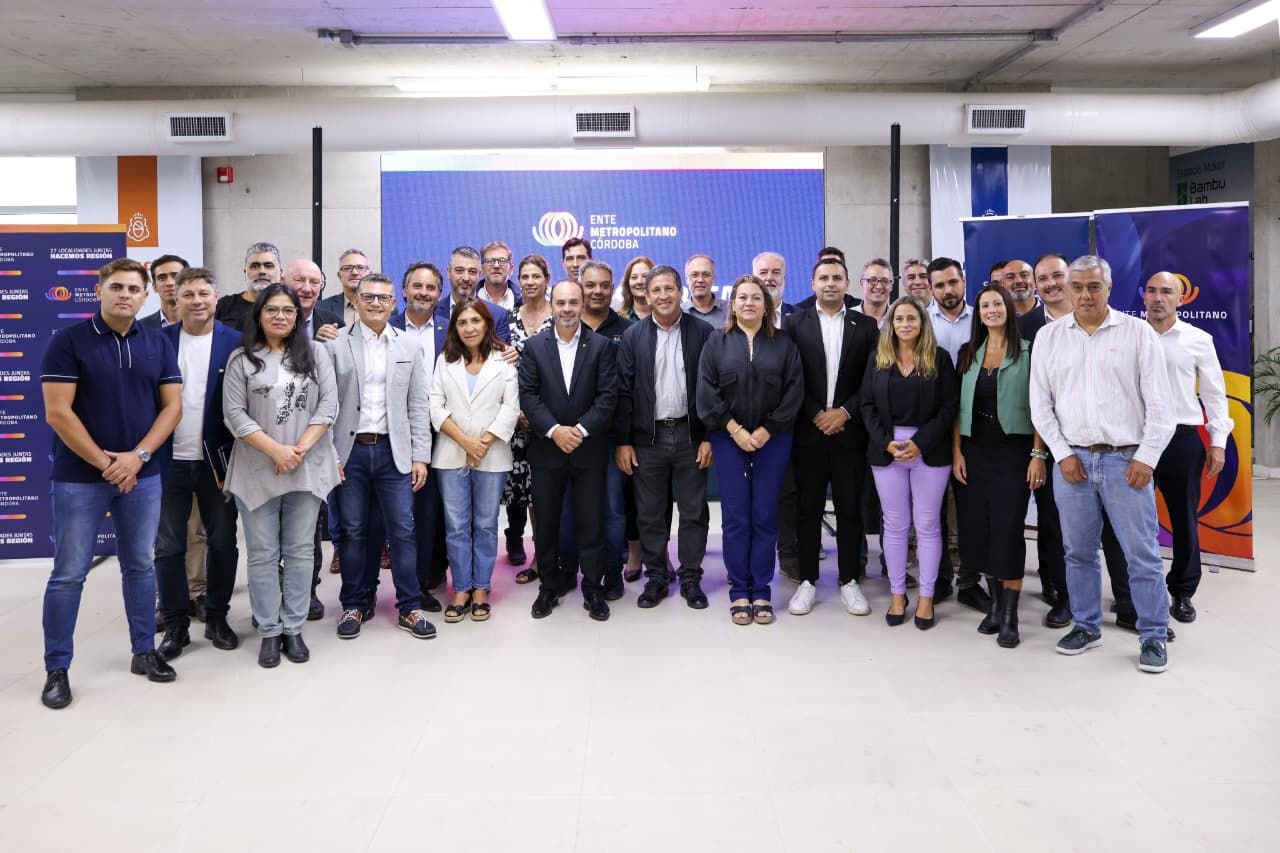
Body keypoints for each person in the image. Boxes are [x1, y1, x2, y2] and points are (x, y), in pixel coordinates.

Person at [39, 258, 183, 709]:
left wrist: (138, 457)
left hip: (142, 475)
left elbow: (172, 408)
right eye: (116, 287)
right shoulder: (68, 341)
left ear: (146, 296)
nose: (125, 295)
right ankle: (57, 669)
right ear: (99, 291)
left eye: (134, 289)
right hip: (80, 478)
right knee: (69, 574)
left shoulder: (157, 342)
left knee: (140, 565)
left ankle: (144, 651)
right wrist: (108, 464)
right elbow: (58, 412)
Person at [1030, 255, 1175, 674]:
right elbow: (1040, 405)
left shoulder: (1137, 333)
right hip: (1072, 461)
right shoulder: (1049, 338)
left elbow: (1161, 406)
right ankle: (1086, 625)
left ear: (1109, 288)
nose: (1085, 295)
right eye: (1077, 287)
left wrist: (1146, 457)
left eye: (1094, 286)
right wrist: (1062, 454)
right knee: (1078, 552)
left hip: (1126, 461)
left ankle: (1153, 635)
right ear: (1067, 289)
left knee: (1141, 554)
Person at [223, 284, 340, 668]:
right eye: (272, 309)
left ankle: (293, 626)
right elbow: (234, 414)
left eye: (288, 311)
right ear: (259, 315)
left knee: (301, 550)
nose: (280, 316)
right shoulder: (242, 358)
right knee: (262, 553)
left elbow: (329, 405)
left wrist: (297, 451)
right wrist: (276, 451)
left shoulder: (316, 353)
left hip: (306, 464)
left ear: (297, 316)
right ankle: (269, 630)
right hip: (257, 467)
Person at [1019, 252, 1127, 630]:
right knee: (1056, 525)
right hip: (1055, 445)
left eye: (1057, 276)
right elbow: (1035, 396)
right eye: (1043, 278)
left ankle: (1127, 600)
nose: (1051, 284)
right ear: (1036, 285)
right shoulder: (1025, 328)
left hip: (1110, 446)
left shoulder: (1118, 327)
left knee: (1116, 528)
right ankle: (1063, 596)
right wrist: (1041, 451)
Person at [328, 274, 437, 641]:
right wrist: (330, 455)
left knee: (403, 530)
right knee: (352, 531)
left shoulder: (409, 344)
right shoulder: (335, 344)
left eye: (383, 298)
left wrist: (420, 456)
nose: (375, 303)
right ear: (356, 301)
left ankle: (410, 607)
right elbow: (326, 405)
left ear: (394, 303)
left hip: (395, 452)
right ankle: (354, 604)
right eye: (369, 297)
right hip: (350, 452)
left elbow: (418, 405)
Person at [696, 275, 802, 626]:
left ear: (766, 305)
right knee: (736, 516)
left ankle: (761, 590)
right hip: (729, 439)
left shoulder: (784, 343)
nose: (749, 303)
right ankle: (740, 589)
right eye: (742, 297)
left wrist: (767, 430)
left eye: (756, 298)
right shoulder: (716, 341)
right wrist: (736, 431)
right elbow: (706, 392)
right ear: (733, 304)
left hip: (774, 439)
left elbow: (794, 392)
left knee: (765, 515)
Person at [154, 268, 243, 660]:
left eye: (203, 293)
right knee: (168, 546)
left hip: (217, 461)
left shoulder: (235, 342)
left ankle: (218, 617)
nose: (196, 301)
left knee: (222, 542)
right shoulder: (158, 341)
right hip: (167, 460)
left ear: (216, 297)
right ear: (176, 297)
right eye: (188, 294)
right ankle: (176, 625)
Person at [614, 264, 714, 609]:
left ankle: (691, 578)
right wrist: (623, 441)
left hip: (691, 435)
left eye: (669, 288)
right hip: (648, 439)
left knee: (693, 512)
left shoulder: (703, 333)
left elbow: (713, 388)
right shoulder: (633, 336)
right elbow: (623, 391)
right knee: (649, 513)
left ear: (680, 292)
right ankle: (656, 577)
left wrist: (709, 436)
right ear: (646, 295)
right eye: (655, 290)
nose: (663, 295)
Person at [784, 258, 879, 617]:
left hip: (849, 433)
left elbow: (871, 377)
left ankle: (849, 580)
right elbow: (791, 377)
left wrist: (845, 412)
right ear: (812, 283)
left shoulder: (865, 325)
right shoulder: (794, 324)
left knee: (850, 508)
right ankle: (808, 580)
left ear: (847, 283)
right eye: (823, 278)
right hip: (808, 433)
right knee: (807, 509)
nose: (830, 283)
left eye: (837, 278)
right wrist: (816, 413)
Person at [952, 285, 1046, 648]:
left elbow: (1042, 406)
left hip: (1014, 454)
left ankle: (1009, 615)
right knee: (979, 531)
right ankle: (993, 607)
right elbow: (957, 409)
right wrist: (957, 453)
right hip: (974, 453)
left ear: (1008, 308)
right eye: (984, 305)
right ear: (978, 313)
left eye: (997, 304)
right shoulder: (968, 353)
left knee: (1007, 532)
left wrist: (1038, 455)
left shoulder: (1030, 352)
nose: (991, 310)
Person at [519, 279, 618, 621]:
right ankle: (548, 587)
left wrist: (578, 431)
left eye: (573, 302)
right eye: (560, 303)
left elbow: (608, 397)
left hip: (588, 450)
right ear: (552, 305)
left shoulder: (602, 346)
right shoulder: (534, 347)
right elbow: (528, 395)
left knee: (591, 522)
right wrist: (554, 431)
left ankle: (593, 588)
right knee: (546, 524)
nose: (566, 309)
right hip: (547, 451)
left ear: (582, 304)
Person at [860, 296, 959, 630]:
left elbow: (949, 407)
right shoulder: (878, 358)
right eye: (898, 318)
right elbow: (867, 406)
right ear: (890, 324)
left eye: (911, 318)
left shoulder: (939, 359)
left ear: (922, 323)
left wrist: (919, 443)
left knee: (928, 525)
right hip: (886, 451)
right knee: (895, 525)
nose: (904, 324)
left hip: (928, 452)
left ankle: (927, 597)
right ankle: (897, 594)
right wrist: (886, 443)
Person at [1143, 270, 1233, 624]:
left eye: (1166, 292)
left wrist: (1218, 443)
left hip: (1181, 439)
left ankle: (1182, 591)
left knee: (1183, 519)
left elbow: (1214, 393)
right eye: (1151, 291)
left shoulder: (1198, 339)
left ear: (1181, 299)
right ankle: (1134, 591)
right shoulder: (1130, 335)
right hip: (1135, 439)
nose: (1157, 298)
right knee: (1133, 520)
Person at [430, 301, 520, 622]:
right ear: (454, 327)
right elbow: (435, 405)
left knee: (485, 524)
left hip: (492, 454)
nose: (469, 328)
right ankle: (461, 588)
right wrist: (465, 442)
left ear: (486, 324)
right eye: (462, 322)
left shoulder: (503, 360)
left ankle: (481, 587)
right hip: (451, 452)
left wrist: (482, 443)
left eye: (475, 321)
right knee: (456, 526)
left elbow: (510, 408)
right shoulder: (445, 360)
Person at [141, 253, 207, 628]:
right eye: (164, 277)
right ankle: (166, 600)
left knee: (197, 529)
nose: (171, 282)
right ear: (157, 287)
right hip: (160, 448)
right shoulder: (145, 332)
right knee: (165, 534)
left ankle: (196, 593)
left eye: (177, 276)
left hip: (201, 447)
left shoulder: (212, 331)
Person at [925, 257, 988, 612]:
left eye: (953, 282)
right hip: (931, 426)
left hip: (975, 426)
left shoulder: (983, 318)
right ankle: (939, 579)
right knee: (932, 511)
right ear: (931, 289)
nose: (947, 290)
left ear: (963, 281)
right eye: (940, 285)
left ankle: (970, 581)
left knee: (971, 510)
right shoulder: (921, 321)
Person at [392, 262, 449, 607]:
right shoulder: (387, 326)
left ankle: (423, 579)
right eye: (417, 286)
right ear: (404, 290)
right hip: (395, 431)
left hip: (441, 430)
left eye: (430, 288)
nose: (423, 293)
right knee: (398, 514)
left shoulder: (450, 327)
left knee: (430, 511)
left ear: (439, 294)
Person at [579, 260, 633, 599]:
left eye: (604, 285)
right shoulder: (566, 326)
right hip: (572, 439)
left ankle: (613, 572)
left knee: (613, 509)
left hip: (612, 439)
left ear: (613, 288)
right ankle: (575, 571)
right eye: (590, 285)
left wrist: (625, 439)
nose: (597, 291)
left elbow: (629, 390)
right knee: (574, 511)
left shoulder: (627, 330)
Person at [503, 255, 555, 577]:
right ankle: (536, 553)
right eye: (525, 276)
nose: (531, 281)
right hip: (517, 421)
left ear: (547, 279)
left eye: (537, 276)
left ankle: (550, 555)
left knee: (549, 491)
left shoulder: (561, 315)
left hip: (552, 420)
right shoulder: (508, 318)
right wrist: (518, 409)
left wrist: (540, 414)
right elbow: (500, 368)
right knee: (527, 492)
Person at [441, 246, 512, 342]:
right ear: (449, 272)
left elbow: (501, 350)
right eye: (459, 271)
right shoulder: (433, 312)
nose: (466, 278)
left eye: (472, 272)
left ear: (480, 274)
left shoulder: (498, 315)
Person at [215, 241, 282, 331]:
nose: (262, 271)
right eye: (255, 266)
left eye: (268, 266)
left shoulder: (289, 307)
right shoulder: (224, 306)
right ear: (245, 272)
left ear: (280, 272)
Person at [284, 259, 342, 342]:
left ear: (321, 287)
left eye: (314, 282)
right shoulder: (270, 321)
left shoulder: (333, 322)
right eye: (299, 280)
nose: (307, 289)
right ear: (283, 282)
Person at [317, 248, 371, 327]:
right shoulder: (320, 308)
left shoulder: (383, 308)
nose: (354, 273)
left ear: (369, 275)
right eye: (347, 268)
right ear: (339, 276)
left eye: (360, 267)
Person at [140, 253, 188, 328]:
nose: (169, 283)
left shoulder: (203, 324)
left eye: (176, 276)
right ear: (154, 286)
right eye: (162, 278)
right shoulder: (141, 328)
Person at [478, 240, 524, 310]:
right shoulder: (469, 297)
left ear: (511, 269)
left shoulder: (524, 299)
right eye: (490, 261)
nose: (496, 266)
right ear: (481, 269)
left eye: (502, 261)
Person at [684, 253, 726, 328]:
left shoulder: (731, 311)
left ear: (713, 278)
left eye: (706, 275)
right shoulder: (677, 314)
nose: (700, 280)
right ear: (686, 279)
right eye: (694, 275)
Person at [854, 258, 893, 329]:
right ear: (862, 284)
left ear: (891, 286)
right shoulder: (846, 318)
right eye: (873, 280)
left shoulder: (899, 318)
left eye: (884, 281)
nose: (879, 286)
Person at [618, 255, 654, 321]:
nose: (640, 281)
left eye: (645, 276)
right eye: (634, 277)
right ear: (627, 283)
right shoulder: (618, 319)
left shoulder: (666, 316)